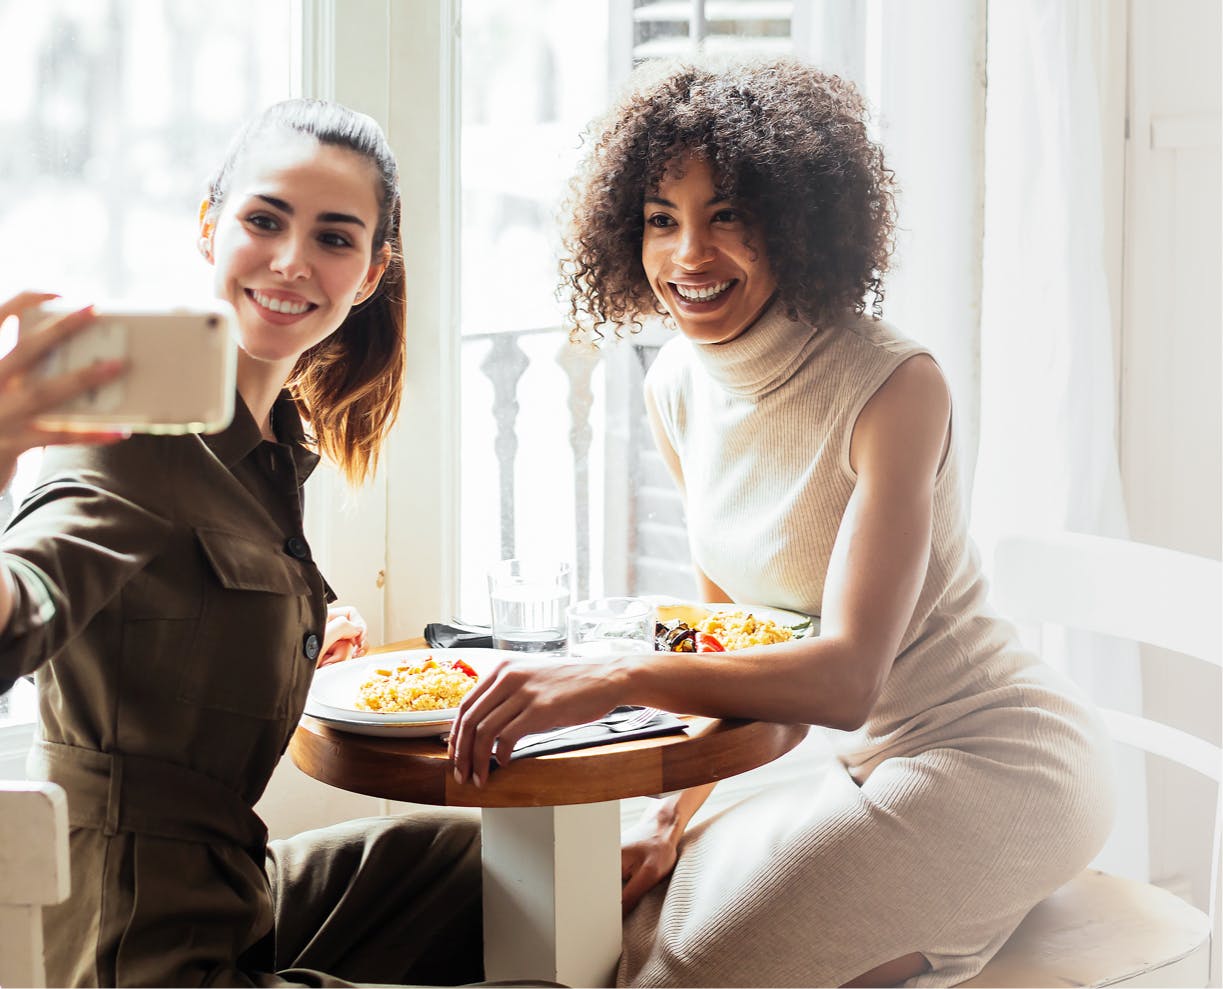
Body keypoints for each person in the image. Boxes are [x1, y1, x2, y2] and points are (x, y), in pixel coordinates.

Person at [449, 57, 1116, 987]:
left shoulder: (892, 383)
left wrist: (609, 677)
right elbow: (733, 647)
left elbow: (844, 679)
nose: (688, 256)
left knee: (689, 971)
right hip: (857, 767)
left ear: (799, 225)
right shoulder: (679, 385)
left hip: (996, 760)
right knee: (624, 935)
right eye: (660, 219)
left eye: (728, 215)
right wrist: (666, 815)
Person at [0, 100, 484, 987]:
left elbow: (192, 592)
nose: (293, 260)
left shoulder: (271, 446)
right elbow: (19, 610)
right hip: (134, 940)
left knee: (486, 868)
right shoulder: (132, 433)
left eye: (335, 239)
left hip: (231, 882)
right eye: (264, 220)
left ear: (371, 273)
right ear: (208, 226)